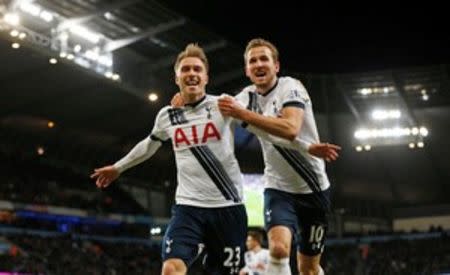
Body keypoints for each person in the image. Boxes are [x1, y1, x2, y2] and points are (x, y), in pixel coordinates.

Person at [90, 44, 248, 275]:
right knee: (171, 269)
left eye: (197, 69)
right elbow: (148, 145)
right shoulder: (167, 115)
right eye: (185, 70)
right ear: (177, 78)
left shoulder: (223, 105)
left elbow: (256, 117)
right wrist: (118, 168)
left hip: (228, 208)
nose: (191, 73)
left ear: (206, 77)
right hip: (188, 208)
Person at [218, 38, 337, 275]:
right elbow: (216, 106)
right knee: (279, 250)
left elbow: (290, 128)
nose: (259, 64)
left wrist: (244, 115)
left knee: (309, 269)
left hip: (313, 188)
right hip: (278, 189)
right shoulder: (245, 98)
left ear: (277, 66)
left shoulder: (291, 87)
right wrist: (185, 101)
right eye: (253, 61)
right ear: (247, 70)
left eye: (264, 59)